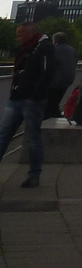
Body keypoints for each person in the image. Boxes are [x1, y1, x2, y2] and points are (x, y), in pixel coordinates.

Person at [0, 22, 54, 188]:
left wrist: (35, 97)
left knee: (32, 138)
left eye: (20, 35)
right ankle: (33, 174)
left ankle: (34, 175)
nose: (18, 38)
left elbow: (47, 74)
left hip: (32, 101)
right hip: (17, 97)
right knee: (3, 134)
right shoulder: (27, 48)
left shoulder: (44, 48)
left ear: (31, 33)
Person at [45, 31, 78, 119]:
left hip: (55, 81)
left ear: (55, 41)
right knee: (54, 102)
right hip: (68, 80)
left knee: (48, 104)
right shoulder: (72, 50)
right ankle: (55, 116)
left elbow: (48, 65)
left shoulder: (54, 50)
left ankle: (47, 122)